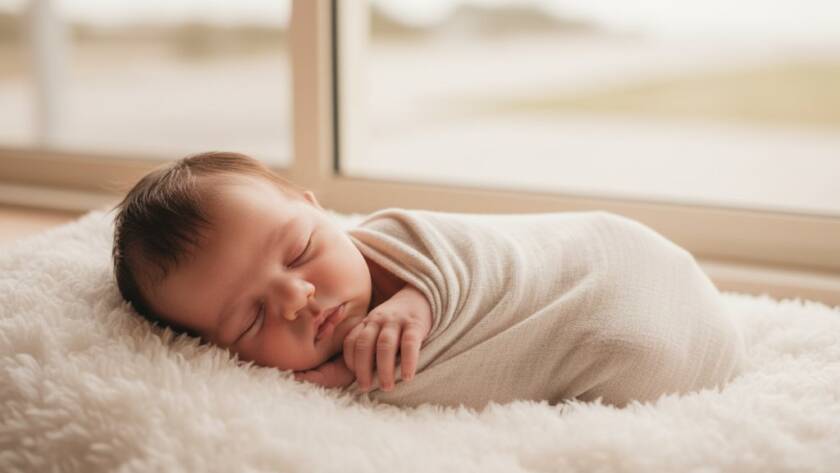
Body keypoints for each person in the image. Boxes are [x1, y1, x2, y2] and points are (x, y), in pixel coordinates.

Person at [113, 151, 745, 409]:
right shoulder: (302, 388)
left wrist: (420, 300)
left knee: (630, 338)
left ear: (319, 210)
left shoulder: (401, 240)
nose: (296, 299)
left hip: (621, 263)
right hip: (624, 362)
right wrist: (349, 384)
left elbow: (497, 256)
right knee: (628, 357)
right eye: (249, 320)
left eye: (301, 250)